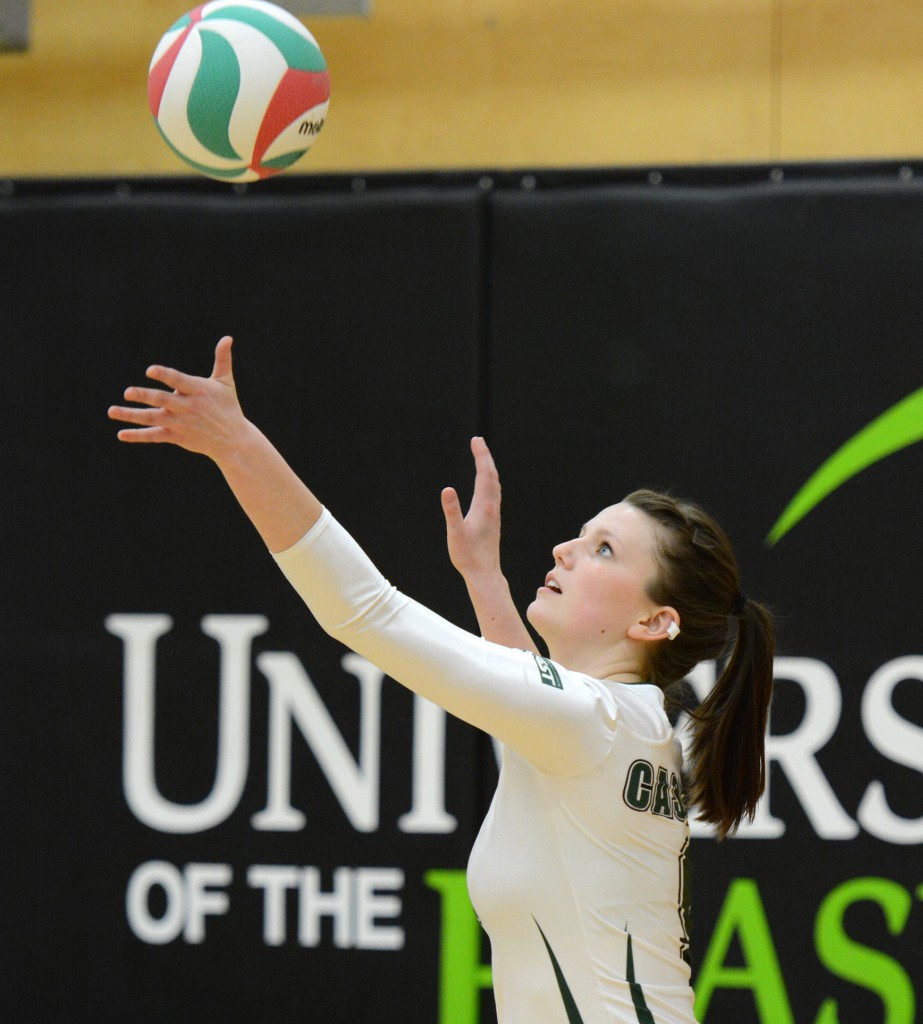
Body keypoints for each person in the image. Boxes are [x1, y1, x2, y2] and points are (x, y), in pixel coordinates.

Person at [108, 336, 775, 1024]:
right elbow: (526, 704)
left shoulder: (594, 723)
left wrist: (237, 446)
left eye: (603, 549)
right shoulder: (614, 727)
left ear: (654, 621)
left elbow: (367, 611)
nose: (565, 551)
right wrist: (484, 577)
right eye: (581, 534)